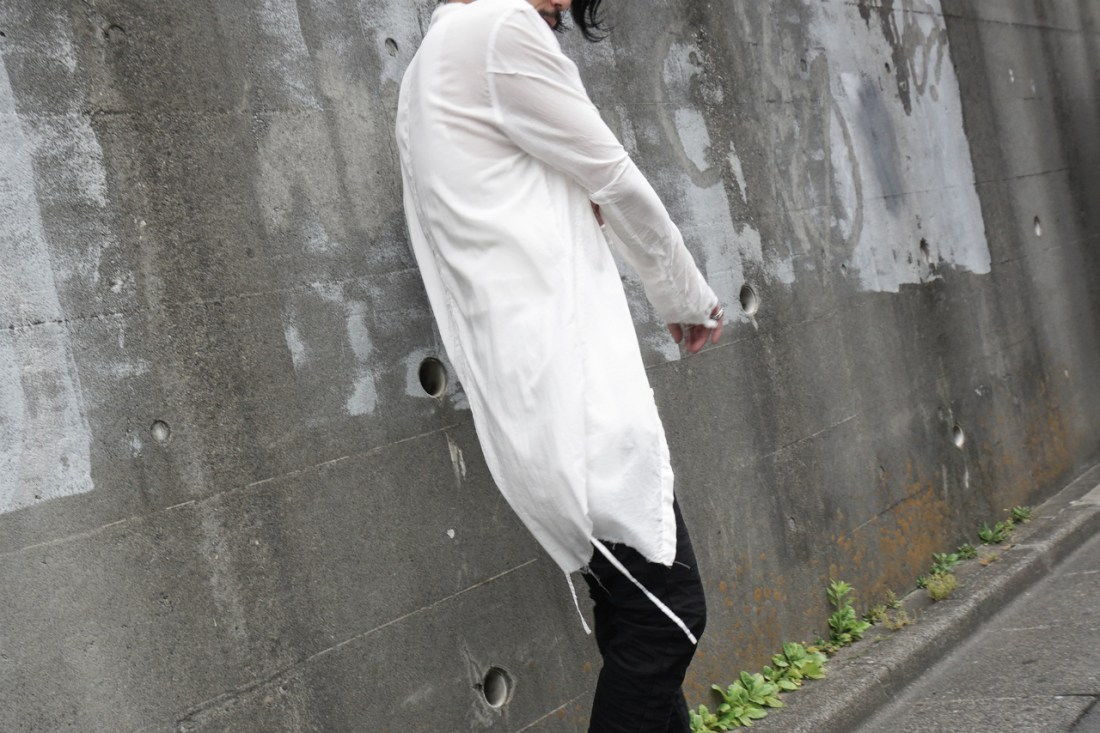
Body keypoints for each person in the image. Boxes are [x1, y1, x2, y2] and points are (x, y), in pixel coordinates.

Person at [396, 1, 723, 730]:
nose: (558, 13)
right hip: (576, 410)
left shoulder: (429, 67)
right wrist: (685, 295)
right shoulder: (498, 32)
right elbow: (614, 176)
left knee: (634, 620)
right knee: (666, 621)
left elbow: (555, 196)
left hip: (532, 410)